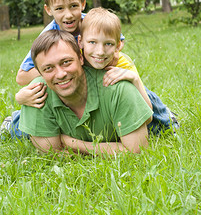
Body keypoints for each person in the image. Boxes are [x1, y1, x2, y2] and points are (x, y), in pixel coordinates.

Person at [0, 0, 179, 139]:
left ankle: (164, 117)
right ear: (48, 9)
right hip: (74, 81)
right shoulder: (48, 37)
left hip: (100, 72)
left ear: (83, 4)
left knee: (128, 84)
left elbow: (115, 53)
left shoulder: (95, 25)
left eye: (73, 6)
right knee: (43, 102)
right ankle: (14, 122)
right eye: (60, 8)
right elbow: (22, 76)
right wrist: (56, 70)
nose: (68, 14)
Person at [19, 30, 153, 155]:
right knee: (17, 126)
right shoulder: (35, 94)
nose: (60, 74)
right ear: (40, 72)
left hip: (140, 108)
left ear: (81, 58)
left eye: (66, 62)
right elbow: (54, 154)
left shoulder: (118, 88)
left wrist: (72, 143)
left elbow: (135, 151)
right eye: (48, 68)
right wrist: (112, 149)